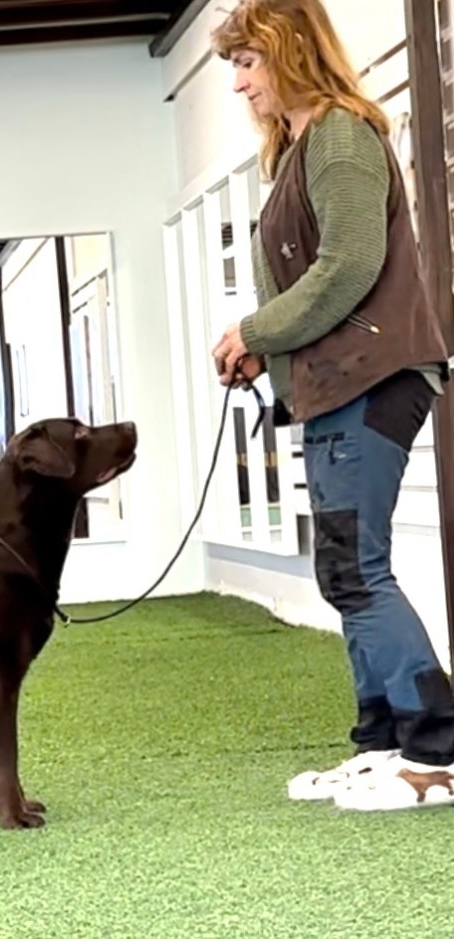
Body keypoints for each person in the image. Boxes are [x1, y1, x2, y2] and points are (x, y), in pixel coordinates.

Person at [210, 0, 454, 811]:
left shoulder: (342, 136)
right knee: (346, 569)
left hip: (372, 378)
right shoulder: (303, 146)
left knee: (356, 567)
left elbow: (348, 266)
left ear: (288, 50)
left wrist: (254, 330)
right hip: (334, 384)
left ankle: (438, 750)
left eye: (247, 62)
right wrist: (266, 349)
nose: (239, 84)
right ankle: (383, 742)